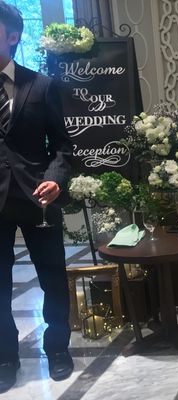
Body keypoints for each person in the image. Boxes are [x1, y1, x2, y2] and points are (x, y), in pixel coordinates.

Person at [0, 2, 74, 393]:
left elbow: (63, 146)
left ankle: (58, 348)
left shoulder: (42, 86)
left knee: (53, 278)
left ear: (12, 36)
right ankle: (5, 356)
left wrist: (55, 179)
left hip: (38, 197)